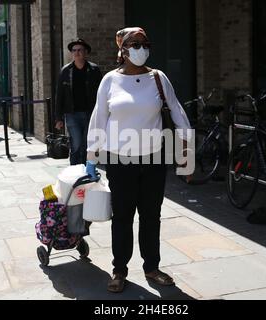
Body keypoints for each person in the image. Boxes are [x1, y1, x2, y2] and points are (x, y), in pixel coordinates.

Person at [85, 28, 192, 293]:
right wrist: (91, 155)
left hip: (154, 159)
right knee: (122, 217)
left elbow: (177, 112)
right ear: (122, 49)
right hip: (120, 161)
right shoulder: (110, 80)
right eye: (134, 44)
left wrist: (188, 154)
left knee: (150, 216)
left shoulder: (158, 78)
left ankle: (151, 268)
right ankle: (119, 270)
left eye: (145, 43)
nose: (141, 48)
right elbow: (99, 118)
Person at [54, 39, 103, 165]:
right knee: (76, 144)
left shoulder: (94, 70)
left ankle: (86, 170)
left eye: (80, 50)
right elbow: (59, 95)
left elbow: (101, 93)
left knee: (87, 144)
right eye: (74, 50)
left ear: (85, 52)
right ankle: (75, 170)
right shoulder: (65, 71)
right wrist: (58, 118)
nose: (77, 53)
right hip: (72, 114)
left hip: (90, 113)